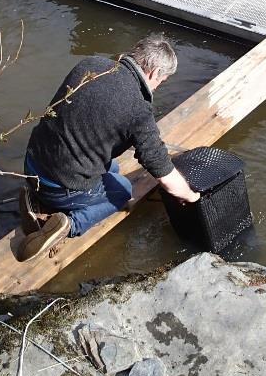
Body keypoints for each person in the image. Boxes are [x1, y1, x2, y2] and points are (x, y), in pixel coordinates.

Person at [17, 34, 200, 261]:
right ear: (154, 74)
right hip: (61, 185)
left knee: (111, 168)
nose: (156, 88)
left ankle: (38, 197)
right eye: (160, 82)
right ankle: (66, 226)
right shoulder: (138, 110)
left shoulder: (91, 64)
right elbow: (161, 169)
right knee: (121, 189)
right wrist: (191, 196)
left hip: (32, 161)